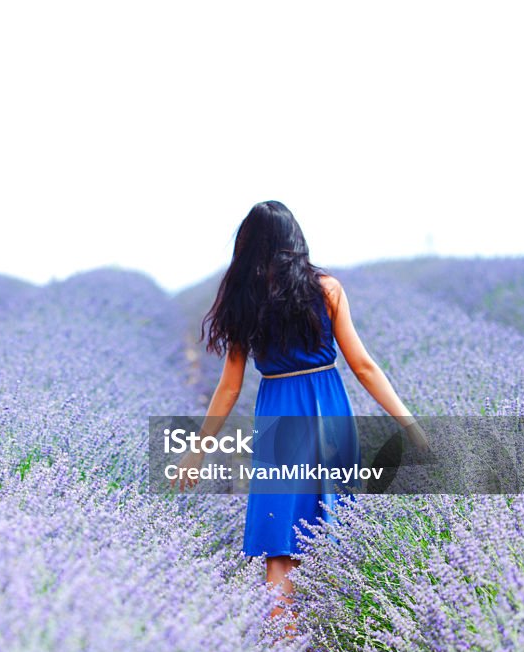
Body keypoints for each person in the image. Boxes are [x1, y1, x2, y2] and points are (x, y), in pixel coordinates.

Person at [173, 200, 428, 628]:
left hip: (277, 413)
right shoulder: (326, 289)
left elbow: (230, 387)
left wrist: (197, 452)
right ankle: (335, 637)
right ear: (296, 241)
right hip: (327, 408)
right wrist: (409, 422)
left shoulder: (244, 300)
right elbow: (363, 366)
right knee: (336, 524)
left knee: (280, 538)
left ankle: (284, 649)